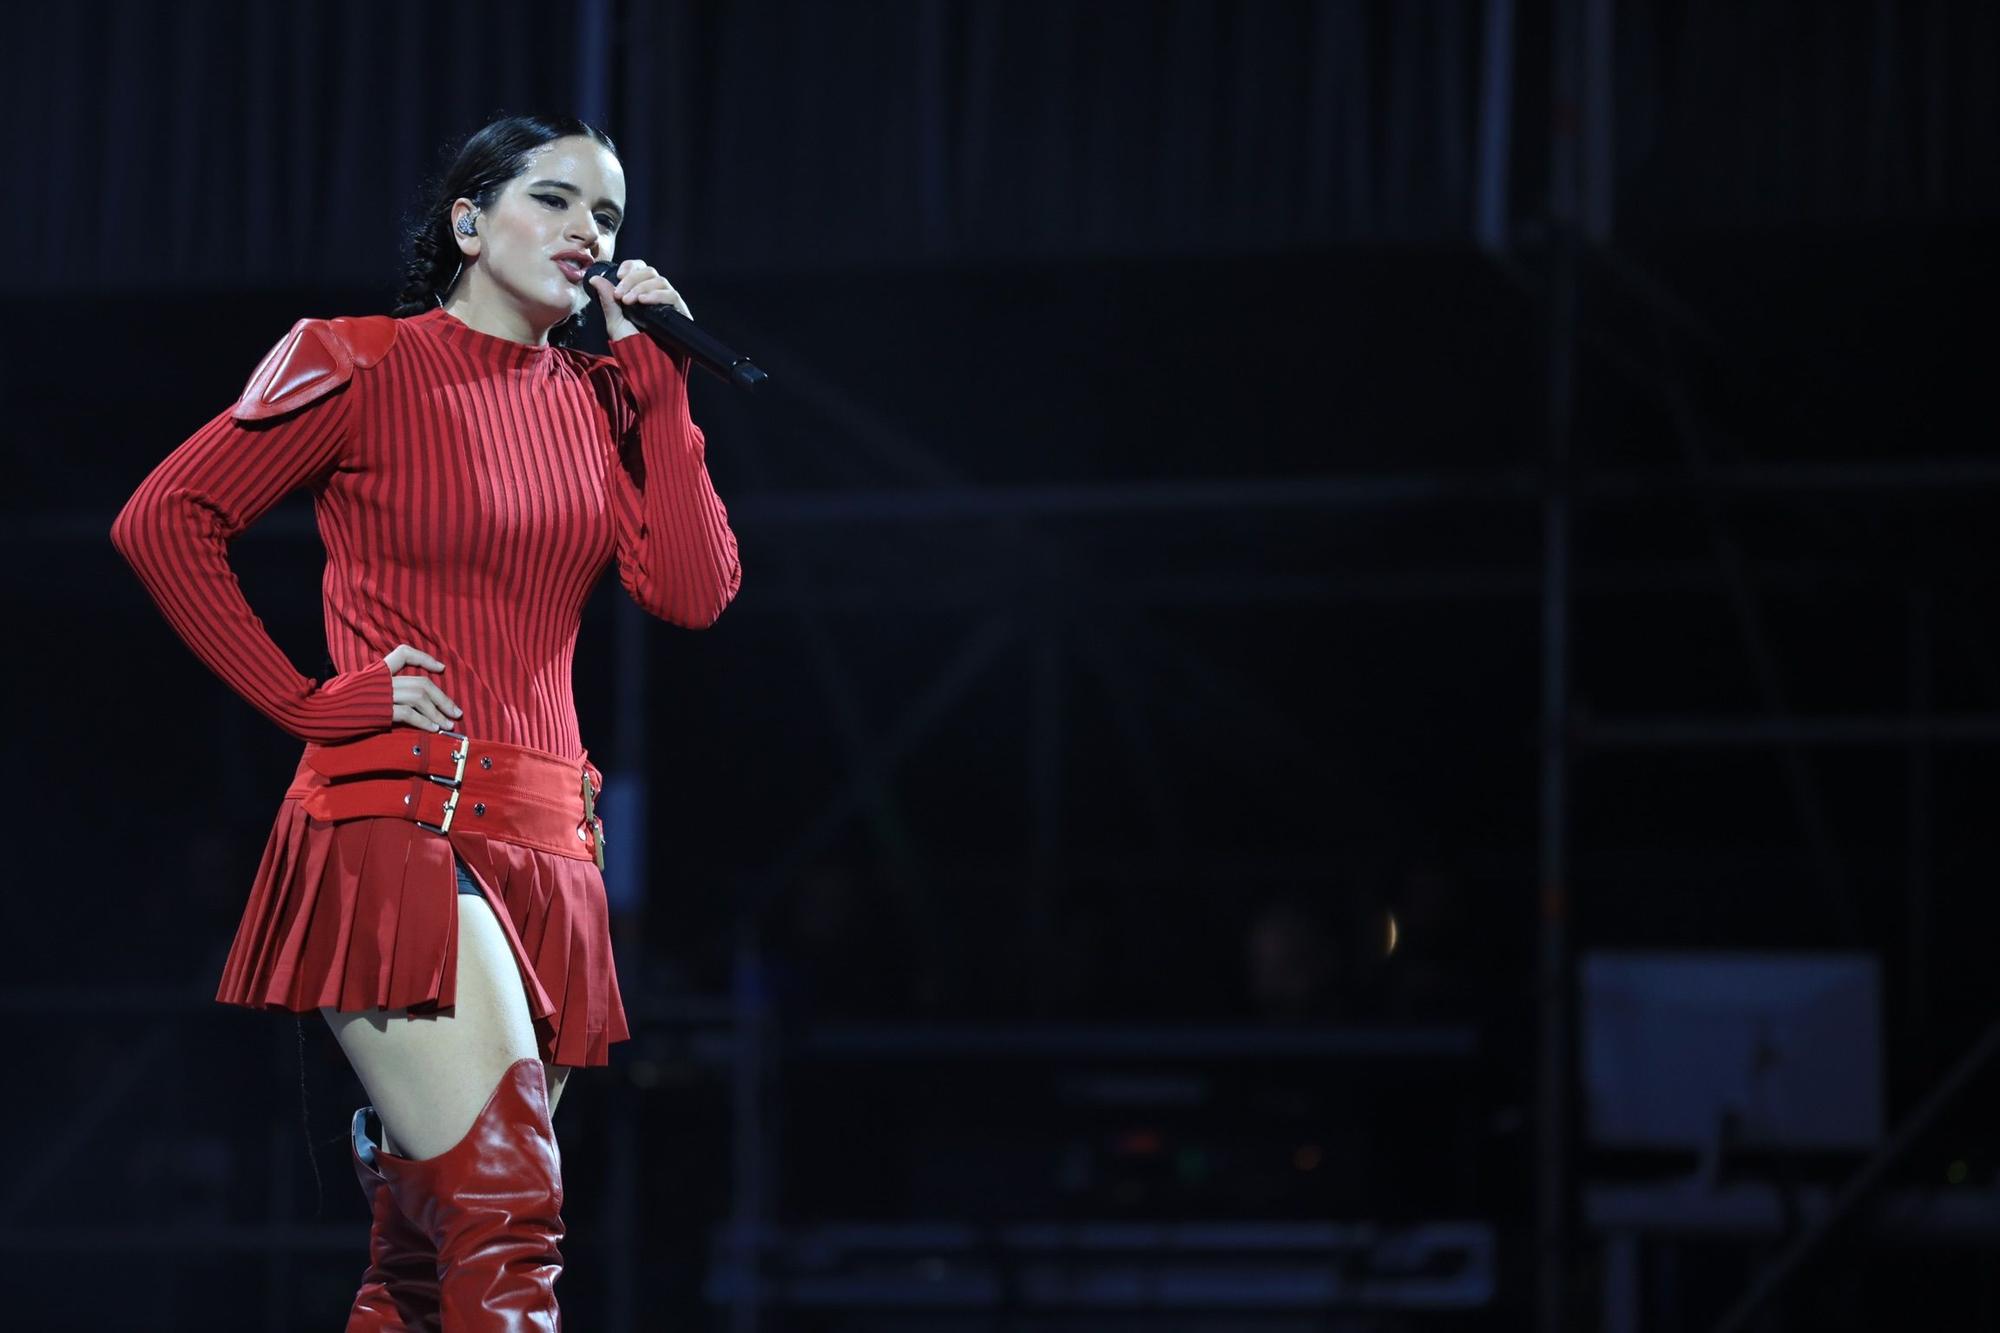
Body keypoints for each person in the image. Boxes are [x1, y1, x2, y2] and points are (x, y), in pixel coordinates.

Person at [109, 111, 742, 1330]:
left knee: (421, 1257)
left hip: (554, 840)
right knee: (512, 1216)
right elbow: (164, 520)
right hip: (405, 820)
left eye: (606, 214)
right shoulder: (357, 362)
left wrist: (659, 388)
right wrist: (307, 699)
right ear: (468, 221)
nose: (585, 232)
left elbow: (693, 591)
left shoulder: (605, 398)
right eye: (554, 200)